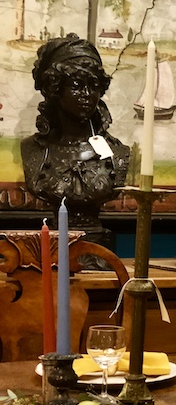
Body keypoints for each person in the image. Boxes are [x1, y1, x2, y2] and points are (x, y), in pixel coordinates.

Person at [21, 34, 130, 259]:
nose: (88, 95)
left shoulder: (116, 153)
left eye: (94, 85)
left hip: (100, 254)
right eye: (77, 85)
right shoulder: (33, 150)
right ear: (55, 89)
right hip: (51, 256)